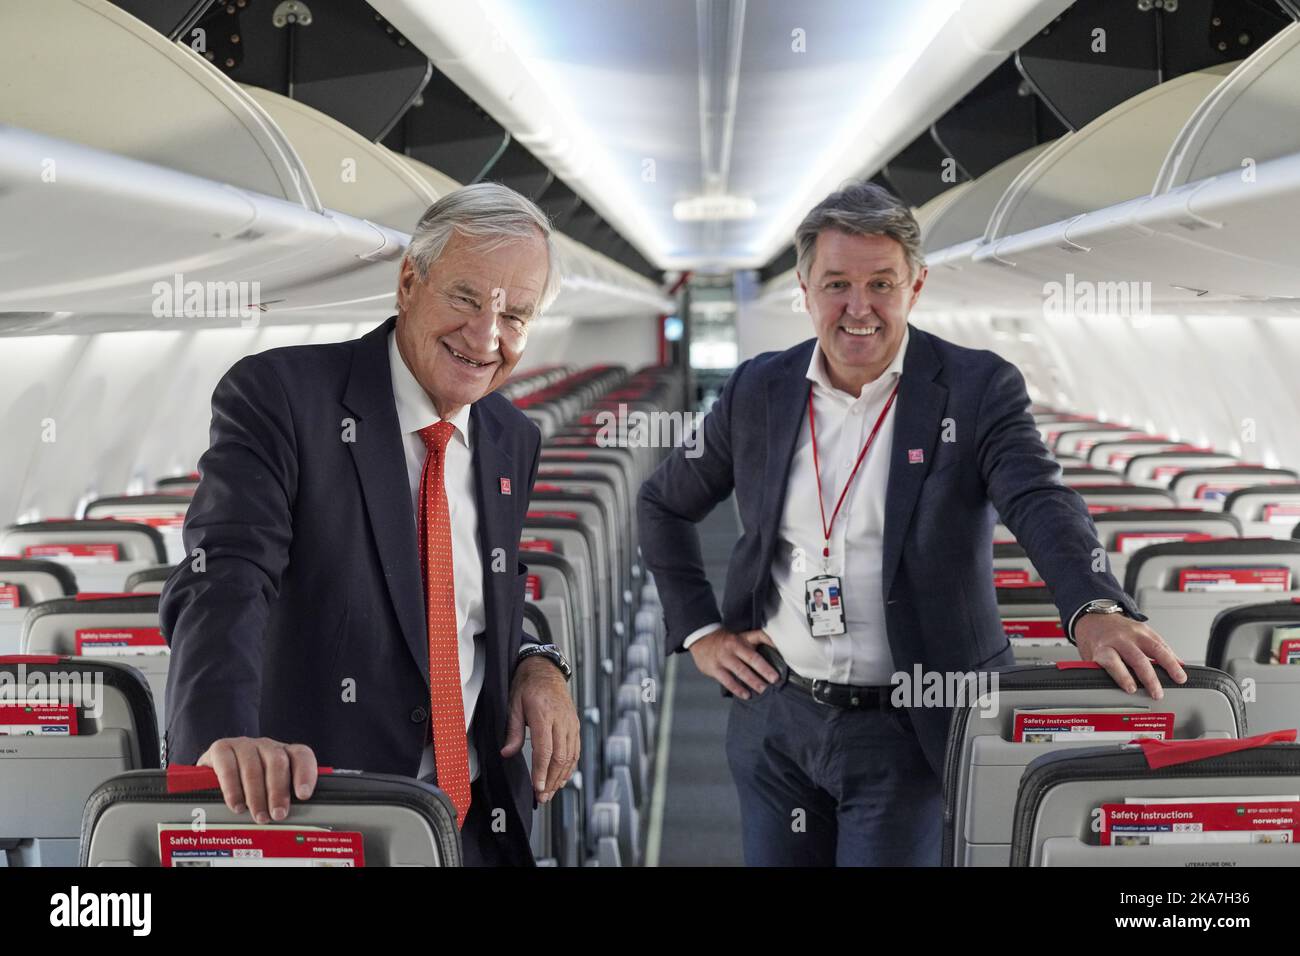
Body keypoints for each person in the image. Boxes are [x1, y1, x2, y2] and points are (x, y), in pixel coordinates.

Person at [637, 180, 1185, 866]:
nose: (858, 308)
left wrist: (1094, 605)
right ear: (804, 288)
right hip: (778, 718)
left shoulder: (976, 387)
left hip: (912, 725)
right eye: (836, 283)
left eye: (881, 284)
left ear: (916, 286)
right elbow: (662, 503)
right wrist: (700, 632)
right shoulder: (758, 390)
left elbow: (1041, 500)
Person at [161, 182, 581, 867]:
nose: (486, 337)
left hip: (476, 824)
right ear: (409, 281)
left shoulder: (511, 437)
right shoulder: (283, 398)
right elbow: (224, 575)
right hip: (326, 822)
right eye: (467, 299)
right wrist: (221, 738)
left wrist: (537, 662)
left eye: (515, 316)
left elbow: (484, 593)